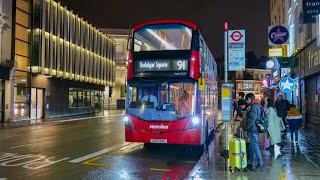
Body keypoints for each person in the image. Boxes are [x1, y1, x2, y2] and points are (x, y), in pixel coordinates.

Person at [244, 93, 264, 171]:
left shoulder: (254, 107)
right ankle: (251, 161)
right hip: (254, 129)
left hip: (253, 129)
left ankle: (260, 163)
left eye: (247, 100)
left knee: (255, 147)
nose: (246, 101)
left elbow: (252, 119)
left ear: (250, 99)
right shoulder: (256, 106)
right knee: (253, 146)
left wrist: (246, 127)